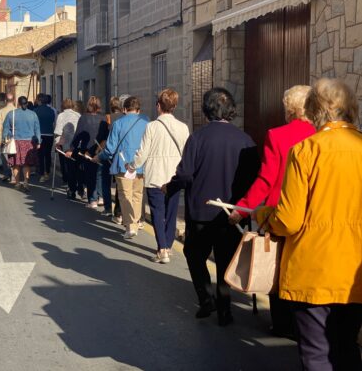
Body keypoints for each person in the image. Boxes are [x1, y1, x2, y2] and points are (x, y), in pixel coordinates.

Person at [254, 79, 362, 370]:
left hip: (313, 269)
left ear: (314, 110)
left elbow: (288, 221)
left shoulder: (306, 150)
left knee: (317, 354)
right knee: (347, 347)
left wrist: (264, 215)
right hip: (355, 270)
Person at [166, 88, 259, 326]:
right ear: (231, 110)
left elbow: (185, 174)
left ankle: (206, 298)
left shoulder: (198, 138)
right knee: (226, 260)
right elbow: (255, 179)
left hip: (201, 212)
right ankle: (225, 310)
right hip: (232, 213)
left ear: (206, 109)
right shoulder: (245, 140)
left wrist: (170, 188)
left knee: (194, 254)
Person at [228, 85, 315, 337]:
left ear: (289, 109)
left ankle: (282, 324)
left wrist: (243, 209)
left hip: (281, 212)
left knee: (279, 269)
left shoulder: (277, 135)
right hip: (312, 214)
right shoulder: (320, 135)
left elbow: (266, 180)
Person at [131, 89, 189, 263]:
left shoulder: (152, 127)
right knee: (171, 213)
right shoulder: (183, 127)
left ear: (158, 106)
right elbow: (186, 153)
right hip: (174, 176)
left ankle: (162, 249)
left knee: (157, 212)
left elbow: (143, 153)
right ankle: (168, 246)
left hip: (155, 175)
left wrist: (132, 166)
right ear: (174, 106)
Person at [96, 96, 148, 238]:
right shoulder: (146, 122)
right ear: (138, 110)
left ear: (124, 109)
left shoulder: (118, 123)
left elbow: (110, 148)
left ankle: (130, 226)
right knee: (137, 195)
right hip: (140, 164)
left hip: (123, 164)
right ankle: (135, 223)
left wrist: (99, 157)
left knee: (125, 195)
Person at [68, 96, 108, 209]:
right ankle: (101, 197)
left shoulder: (84, 118)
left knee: (90, 175)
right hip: (100, 149)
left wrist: (71, 148)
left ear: (88, 105)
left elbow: (78, 135)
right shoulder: (103, 118)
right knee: (99, 174)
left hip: (87, 150)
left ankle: (93, 200)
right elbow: (105, 135)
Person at [3, 96, 41, 193]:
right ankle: (26, 182)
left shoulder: (11, 114)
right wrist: (39, 141)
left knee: (16, 163)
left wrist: (6, 137)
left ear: (18, 103)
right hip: (29, 142)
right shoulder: (33, 114)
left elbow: (6, 128)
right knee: (26, 164)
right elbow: (37, 129)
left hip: (15, 141)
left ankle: (17, 183)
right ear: (27, 103)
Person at [54, 98, 81, 198]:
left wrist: (57, 144)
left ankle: (71, 189)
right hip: (77, 145)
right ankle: (79, 187)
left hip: (65, 145)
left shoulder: (61, 116)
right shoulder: (78, 115)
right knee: (77, 167)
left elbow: (58, 131)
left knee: (68, 168)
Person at [34, 94, 56, 182]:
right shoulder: (52, 111)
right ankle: (47, 172)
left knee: (40, 155)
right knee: (48, 154)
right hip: (49, 135)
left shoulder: (35, 111)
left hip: (40, 135)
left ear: (40, 101)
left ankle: (42, 174)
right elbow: (53, 122)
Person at [0, 93, 16, 182]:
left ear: (5, 100)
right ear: (14, 100)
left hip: (5, 137)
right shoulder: (16, 110)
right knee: (14, 155)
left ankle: (7, 173)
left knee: (4, 155)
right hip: (15, 137)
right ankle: (14, 174)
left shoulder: (2, 111)